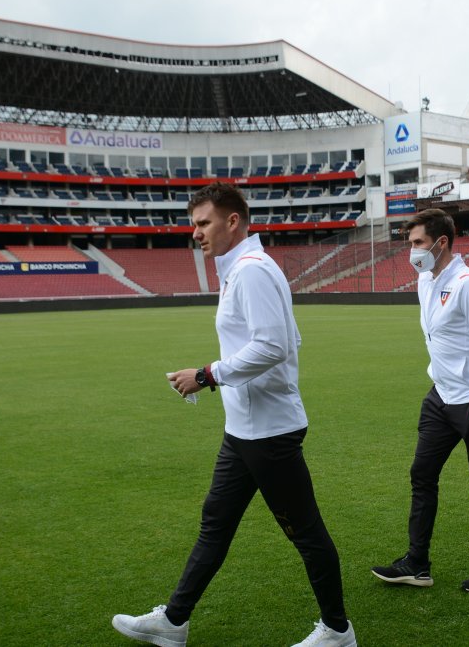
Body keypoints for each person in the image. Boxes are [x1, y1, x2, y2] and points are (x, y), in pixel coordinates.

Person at [112, 183, 355, 647]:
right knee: (215, 523)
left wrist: (207, 375)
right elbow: (290, 339)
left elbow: (275, 345)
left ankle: (338, 631)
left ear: (233, 221)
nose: (196, 233)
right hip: (244, 428)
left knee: (305, 532)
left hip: (269, 432)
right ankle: (174, 622)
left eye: (203, 223)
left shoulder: (251, 271)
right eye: (194, 225)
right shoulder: (241, 271)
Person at [370, 208, 469, 594]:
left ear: (441, 242)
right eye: (410, 243)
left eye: (417, 243)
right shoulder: (425, 281)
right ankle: (417, 563)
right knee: (422, 474)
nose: (411, 251)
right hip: (440, 398)